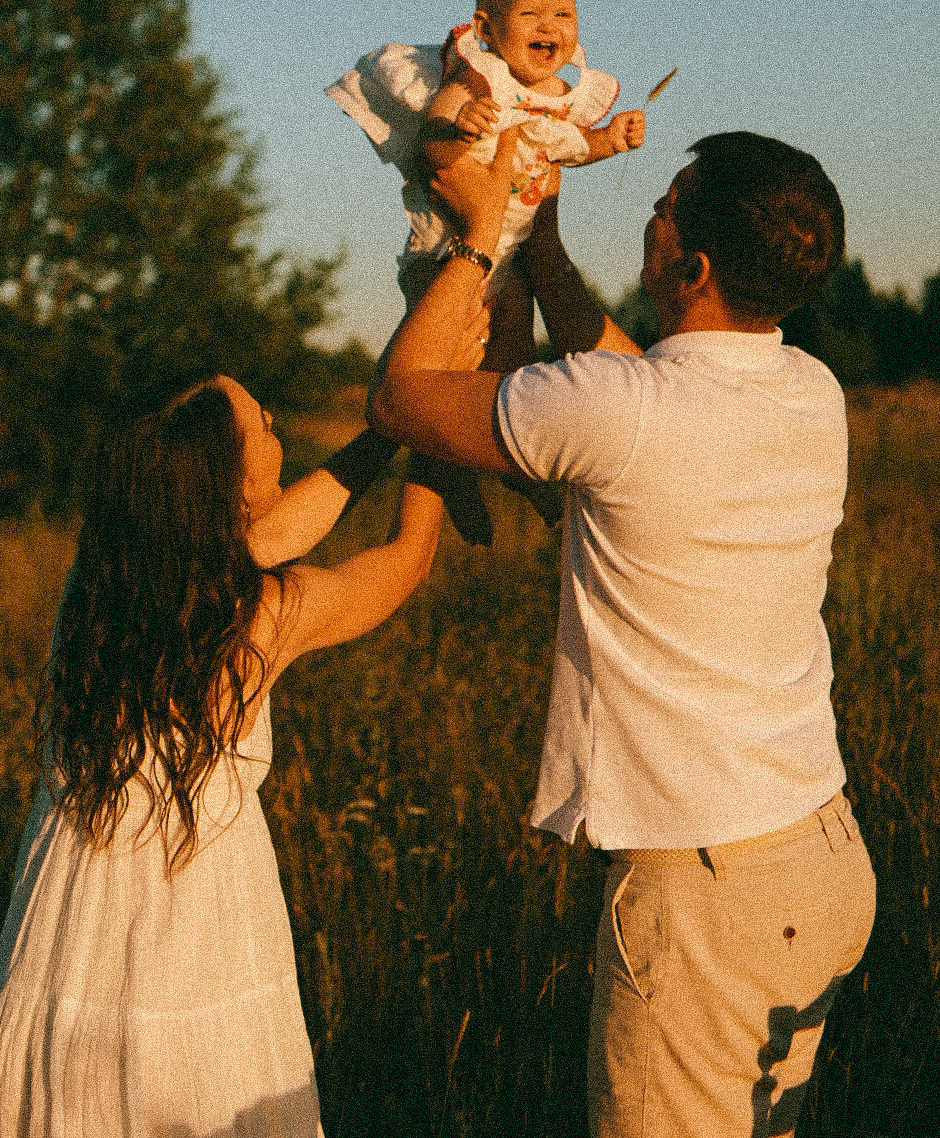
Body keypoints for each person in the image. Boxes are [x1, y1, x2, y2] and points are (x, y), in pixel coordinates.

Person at [369, 127, 876, 1138]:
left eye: (667, 199)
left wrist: (480, 238)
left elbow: (402, 398)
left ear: (685, 263)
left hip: (702, 898)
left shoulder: (622, 409)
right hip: (819, 858)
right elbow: (634, 387)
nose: (650, 208)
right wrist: (545, 247)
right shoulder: (808, 392)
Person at [0, 369, 467, 1138]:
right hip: (196, 925)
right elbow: (405, 557)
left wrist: (389, 429)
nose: (276, 424)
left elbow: (272, 531)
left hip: (68, 926)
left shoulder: (93, 587)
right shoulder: (264, 614)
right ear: (231, 485)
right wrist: (435, 430)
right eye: (263, 424)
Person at [327, 0, 644, 542]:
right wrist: (454, 124)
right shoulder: (478, 77)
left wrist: (613, 138)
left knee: (511, 364)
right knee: (447, 371)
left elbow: (572, 149)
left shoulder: (559, 98)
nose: (550, 26)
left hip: (513, 257)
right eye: (531, 13)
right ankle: (452, 482)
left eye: (564, 13)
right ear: (487, 26)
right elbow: (434, 149)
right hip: (451, 254)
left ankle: (511, 472)